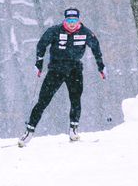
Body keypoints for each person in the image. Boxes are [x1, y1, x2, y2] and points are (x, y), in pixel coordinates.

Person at [18, 8, 105, 147]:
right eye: (69, 21)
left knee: (75, 100)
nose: (71, 24)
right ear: (65, 20)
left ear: (78, 20)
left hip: (75, 70)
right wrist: (39, 63)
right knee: (43, 101)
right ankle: (29, 131)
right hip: (56, 70)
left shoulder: (85, 33)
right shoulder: (55, 31)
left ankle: (73, 130)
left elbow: (96, 49)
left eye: (74, 21)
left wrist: (101, 67)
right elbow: (41, 44)